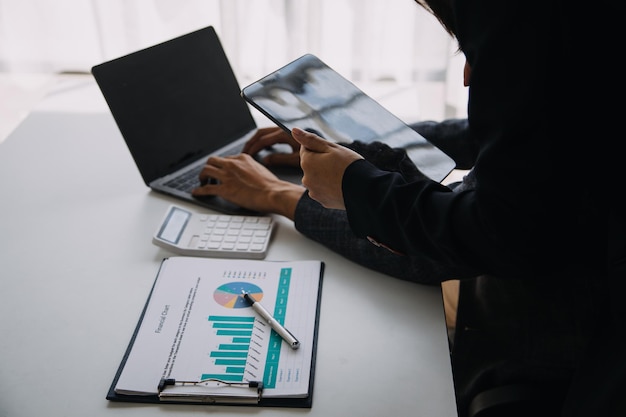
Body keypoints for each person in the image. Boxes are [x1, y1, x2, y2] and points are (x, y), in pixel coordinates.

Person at [193, 0, 625, 415]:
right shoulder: (581, 47)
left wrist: (279, 195)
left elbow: (448, 245)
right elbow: (513, 131)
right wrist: (351, 141)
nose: (468, 76)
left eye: (480, 53)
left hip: (543, 339)